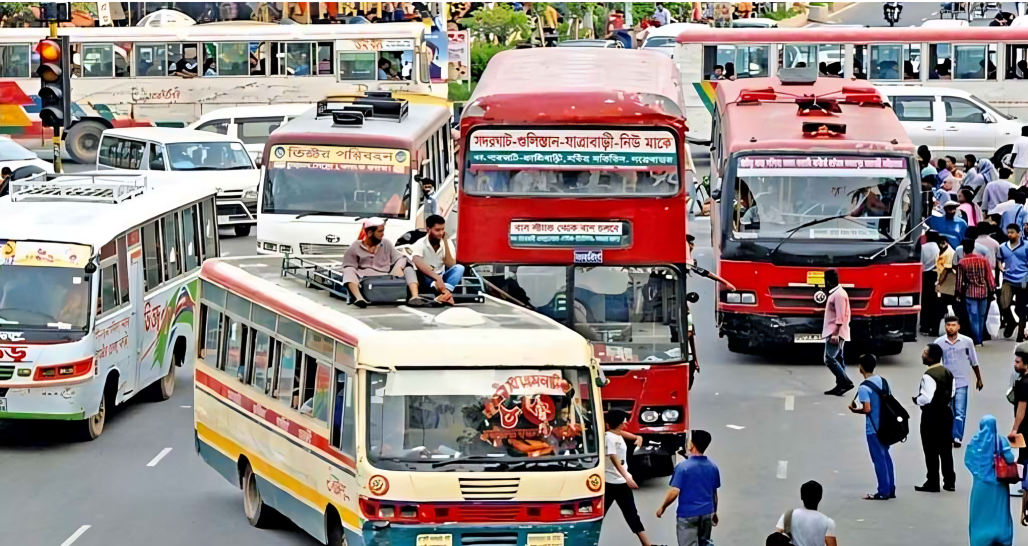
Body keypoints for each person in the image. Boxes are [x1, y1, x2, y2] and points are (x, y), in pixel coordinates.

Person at [341, 218, 426, 307]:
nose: (383, 234)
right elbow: (349, 266)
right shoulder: (355, 247)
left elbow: (401, 258)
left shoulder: (386, 243)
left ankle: (415, 296)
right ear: (370, 233)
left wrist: (399, 266)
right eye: (380, 231)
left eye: (383, 231)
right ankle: (359, 298)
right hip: (364, 278)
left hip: (386, 277)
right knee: (348, 270)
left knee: (408, 267)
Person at [604, 410, 658, 546]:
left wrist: (637, 438)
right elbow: (613, 457)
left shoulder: (616, 434)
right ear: (619, 423)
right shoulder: (609, 437)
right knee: (603, 514)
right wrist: (627, 476)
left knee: (631, 513)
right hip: (611, 482)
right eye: (624, 421)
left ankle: (647, 544)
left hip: (619, 481)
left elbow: (625, 435)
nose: (626, 423)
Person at [657, 430, 720, 546]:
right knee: (704, 543)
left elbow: (674, 491)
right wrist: (714, 512)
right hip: (707, 512)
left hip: (688, 514)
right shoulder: (713, 467)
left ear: (692, 444)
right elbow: (714, 493)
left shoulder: (683, 467)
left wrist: (663, 507)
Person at [849, 354, 896, 500]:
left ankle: (883, 491)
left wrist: (855, 410)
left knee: (878, 459)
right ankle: (890, 488)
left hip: (873, 428)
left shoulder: (864, 387)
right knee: (886, 457)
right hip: (886, 425)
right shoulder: (883, 381)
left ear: (861, 367)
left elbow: (867, 408)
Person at [965, 415, 1016, 546]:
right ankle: (1002, 537)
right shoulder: (1001, 441)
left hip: (981, 486)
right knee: (1000, 512)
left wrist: (981, 473)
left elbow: (968, 460)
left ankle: (980, 539)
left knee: (980, 514)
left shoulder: (975, 442)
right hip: (999, 485)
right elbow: (1010, 459)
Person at [937, 315, 985, 448]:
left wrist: (979, 379)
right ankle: (947, 435)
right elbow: (935, 363)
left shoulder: (967, 342)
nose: (950, 328)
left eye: (953, 325)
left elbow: (974, 362)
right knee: (947, 411)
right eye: (948, 325)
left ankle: (957, 436)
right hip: (946, 383)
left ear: (958, 326)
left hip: (962, 382)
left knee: (960, 410)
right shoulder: (938, 343)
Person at [914, 343, 957, 493]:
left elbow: (926, 397)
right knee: (945, 449)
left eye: (925, 352)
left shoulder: (929, 375)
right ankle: (949, 481)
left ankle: (932, 481)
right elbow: (952, 393)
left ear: (932, 356)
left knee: (930, 449)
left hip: (931, 414)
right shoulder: (948, 373)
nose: (923, 355)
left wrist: (916, 400)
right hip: (946, 412)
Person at [411, 215, 462, 304]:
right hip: (428, 278)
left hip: (442, 278)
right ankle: (446, 294)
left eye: (443, 229)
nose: (441, 233)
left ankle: (443, 295)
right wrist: (436, 277)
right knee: (423, 274)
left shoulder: (446, 242)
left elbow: (450, 264)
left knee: (459, 268)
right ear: (428, 229)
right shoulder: (420, 244)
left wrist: (446, 242)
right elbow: (416, 260)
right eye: (437, 230)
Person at [774, 481, 838, 546]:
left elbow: (776, 539)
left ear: (802, 496)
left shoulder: (788, 516)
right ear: (820, 497)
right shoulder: (827, 522)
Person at [822, 269, 853, 396]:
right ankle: (840, 385)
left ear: (829, 282)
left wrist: (835, 334)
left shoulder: (839, 295)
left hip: (835, 331)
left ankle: (845, 382)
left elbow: (840, 317)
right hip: (836, 331)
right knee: (839, 358)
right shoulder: (837, 293)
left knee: (829, 358)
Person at [998, 222, 1028, 340]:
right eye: (1008, 232)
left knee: (1020, 308)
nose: (1010, 235)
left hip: (1023, 279)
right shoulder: (1003, 247)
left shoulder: (1026, 246)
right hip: (1008, 278)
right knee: (1004, 303)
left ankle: (1021, 333)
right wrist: (1001, 267)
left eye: (1012, 232)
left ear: (1019, 233)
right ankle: (1011, 322)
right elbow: (999, 260)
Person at [1009, 342, 1028, 466]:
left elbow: (1021, 408)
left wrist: (1015, 429)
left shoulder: (1024, 384)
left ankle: (1026, 484)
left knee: (1024, 456)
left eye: (1018, 362)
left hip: (1026, 427)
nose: (1015, 364)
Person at [921, 231, 941, 336]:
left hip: (925, 275)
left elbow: (920, 262)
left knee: (924, 301)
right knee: (934, 302)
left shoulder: (923, 248)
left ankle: (924, 326)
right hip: (936, 274)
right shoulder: (939, 248)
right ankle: (933, 326)